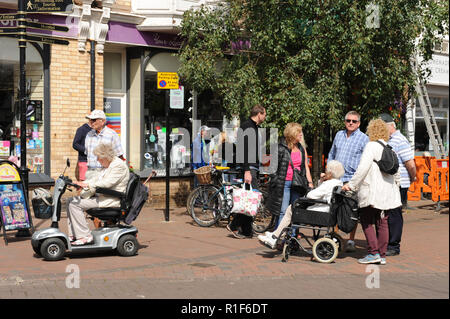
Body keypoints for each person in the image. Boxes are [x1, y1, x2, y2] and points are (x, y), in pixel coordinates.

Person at [342, 118, 402, 265]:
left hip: (372, 192)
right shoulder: (389, 148)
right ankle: (381, 255)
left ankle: (373, 253)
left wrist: (351, 185)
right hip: (387, 194)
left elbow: (362, 168)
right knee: (383, 223)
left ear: (371, 131)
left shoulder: (371, 146)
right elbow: (397, 174)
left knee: (366, 221)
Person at [258, 160, 345, 249]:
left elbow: (311, 195)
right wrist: (322, 180)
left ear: (330, 173)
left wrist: (321, 182)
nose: (325, 171)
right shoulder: (338, 183)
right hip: (327, 211)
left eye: (326, 170)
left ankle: (275, 237)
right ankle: (277, 235)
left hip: (320, 212)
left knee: (292, 209)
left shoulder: (329, 184)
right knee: (292, 209)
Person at [67, 143, 130, 246]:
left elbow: (107, 183)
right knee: (71, 200)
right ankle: (73, 233)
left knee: (75, 204)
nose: (98, 160)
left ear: (106, 156)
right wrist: (81, 183)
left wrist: (86, 184)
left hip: (112, 199)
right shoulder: (108, 165)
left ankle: (85, 236)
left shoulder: (118, 165)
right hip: (103, 197)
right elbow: (96, 179)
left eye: (99, 157)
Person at [328, 110, 369, 252]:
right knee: (334, 208)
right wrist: (328, 170)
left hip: (352, 180)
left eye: (354, 121)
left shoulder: (364, 139)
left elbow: (366, 161)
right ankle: (335, 237)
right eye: (348, 120)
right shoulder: (339, 135)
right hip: (336, 178)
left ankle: (351, 240)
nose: (350, 123)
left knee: (351, 211)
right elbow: (332, 153)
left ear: (359, 123)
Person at [226, 104, 266, 239]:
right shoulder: (247, 127)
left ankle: (246, 230)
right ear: (259, 114)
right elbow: (243, 150)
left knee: (251, 198)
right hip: (249, 167)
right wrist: (247, 170)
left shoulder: (254, 127)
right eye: (264, 114)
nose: (265, 117)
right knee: (251, 199)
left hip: (254, 166)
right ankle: (233, 225)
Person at [380, 113, 416, 256]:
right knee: (388, 213)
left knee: (394, 214)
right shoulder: (388, 139)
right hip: (390, 183)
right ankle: (387, 241)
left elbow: (410, 163)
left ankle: (394, 245)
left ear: (390, 126)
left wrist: (413, 178)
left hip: (399, 183)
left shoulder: (400, 140)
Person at [266, 123, 313, 231]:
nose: (301, 134)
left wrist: (310, 182)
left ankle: (293, 237)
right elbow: (272, 168)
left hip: (298, 184)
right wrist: (277, 181)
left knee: (296, 211)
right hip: (284, 183)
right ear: (292, 134)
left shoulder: (301, 148)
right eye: (299, 132)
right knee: (283, 211)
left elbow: (305, 166)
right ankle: (278, 237)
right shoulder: (281, 148)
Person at [84, 109, 125, 181]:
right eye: (90, 120)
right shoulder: (89, 134)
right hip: (90, 171)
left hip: (105, 172)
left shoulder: (112, 135)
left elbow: (119, 156)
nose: (91, 123)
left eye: (94, 120)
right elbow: (87, 153)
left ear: (102, 121)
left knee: (101, 192)